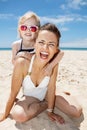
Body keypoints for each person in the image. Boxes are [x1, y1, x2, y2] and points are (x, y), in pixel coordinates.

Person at [0, 23, 82, 124]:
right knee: (18, 115)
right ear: (34, 43)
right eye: (41, 42)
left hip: (49, 94)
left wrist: (50, 112)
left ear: (56, 48)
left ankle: (59, 96)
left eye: (51, 44)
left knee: (76, 112)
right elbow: (13, 93)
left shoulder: (54, 64)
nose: (45, 48)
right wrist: (5, 113)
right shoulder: (22, 63)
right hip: (31, 97)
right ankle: (45, 104)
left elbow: (51, 89)